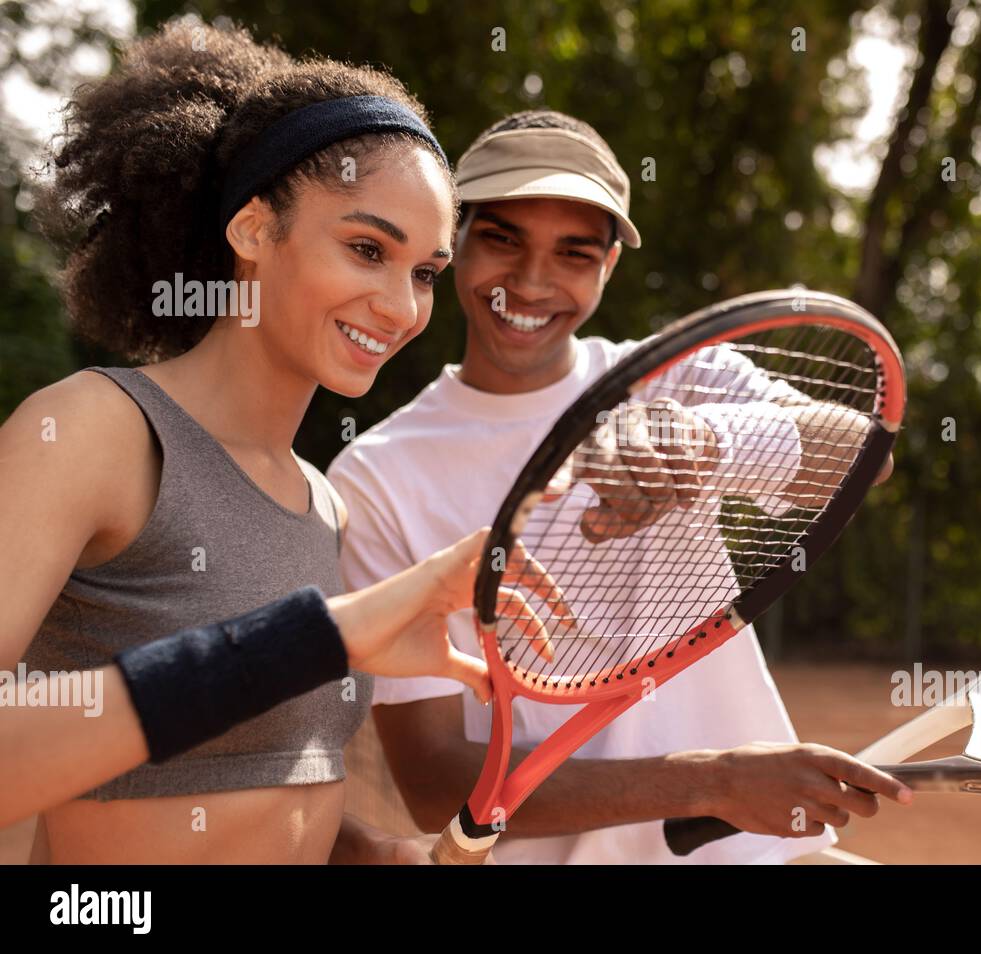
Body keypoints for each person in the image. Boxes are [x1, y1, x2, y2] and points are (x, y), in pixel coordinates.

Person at [1, 19, 535, 864]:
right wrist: (314, 638)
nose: (402, 307)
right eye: (367, 248)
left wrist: (375, 855)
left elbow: (257, 792)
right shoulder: (94, 431)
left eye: (426, 272)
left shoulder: (325, 503)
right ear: (253, 230)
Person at [329, 110, 910, 865]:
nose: (532, 282)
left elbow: (868, 454)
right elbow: (438, 783)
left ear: (608, 268)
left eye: (573, 253)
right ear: (453, 245)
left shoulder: (678, 374)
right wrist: (713, 783)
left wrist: (707, 444)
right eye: (503, 239)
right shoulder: (375, 477)